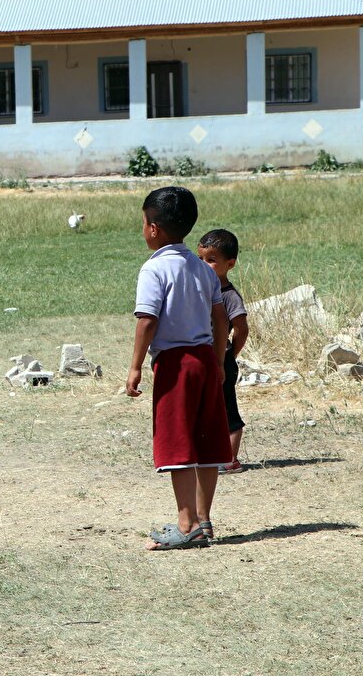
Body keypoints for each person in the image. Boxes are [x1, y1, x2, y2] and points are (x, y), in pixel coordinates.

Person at [126, 186, 232, 550]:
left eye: (143, 222)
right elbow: (221, 318)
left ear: (153, 228)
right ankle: (204, 521)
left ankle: (185, 524)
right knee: (205, 441)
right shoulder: (203, 269)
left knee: (180, 444)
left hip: (176, 363)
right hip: (204, 358)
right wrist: (218, 361)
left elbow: (147, 321)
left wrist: (135, 367)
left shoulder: (154, 268)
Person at [198, 229, 249, 475]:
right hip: (202, 360)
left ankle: (231, 459)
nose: (204, 265)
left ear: (230, 264)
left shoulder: (229, 296)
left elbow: (241, 328)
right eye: (201, 259)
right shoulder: (199, 291)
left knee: (227, 410)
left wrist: (231, 355)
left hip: (222, 359)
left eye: (211, 260)